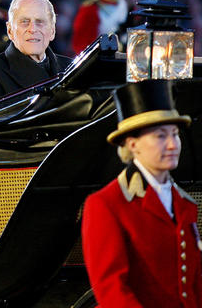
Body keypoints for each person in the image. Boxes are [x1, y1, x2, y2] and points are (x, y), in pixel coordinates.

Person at [82, 79, 202, 307]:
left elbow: (192, 285)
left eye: (174, 134)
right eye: (160, 136)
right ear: (132, 144)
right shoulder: (106, 205)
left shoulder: (182, 201)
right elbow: (112, 290)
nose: (172, 145)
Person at [0, 0, 72, 101]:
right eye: (24, 22)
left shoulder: (72, 69)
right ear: (10, 30)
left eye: (40, 22)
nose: (33, 29)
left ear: (52, 31)